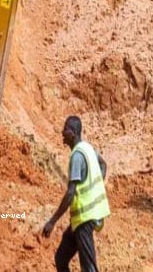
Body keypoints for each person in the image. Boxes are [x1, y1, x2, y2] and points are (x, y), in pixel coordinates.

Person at [42, 116, 110, 272]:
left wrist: (52, 221)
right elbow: (103, 164)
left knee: (89, 268)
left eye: (65, 129)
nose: (62, 132)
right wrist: (97, 187)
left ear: (73, 133)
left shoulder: (77, 156)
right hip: (80, 220)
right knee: (61, 258)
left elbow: (70, 192)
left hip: (85, 219)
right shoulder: (87, 148)